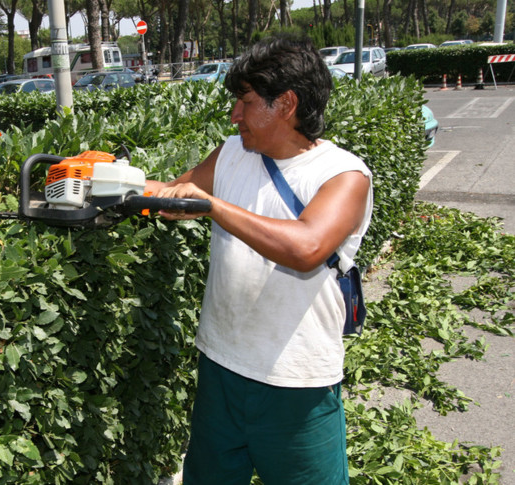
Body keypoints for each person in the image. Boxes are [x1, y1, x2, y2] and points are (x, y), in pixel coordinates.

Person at [146, 35, 373, 484]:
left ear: (286, 103)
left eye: (245, 102)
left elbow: (306, 248)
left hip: (296, 385)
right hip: (221, 368)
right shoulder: (232, 154)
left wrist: (211, 205)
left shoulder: (343, 175)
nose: (234, 115)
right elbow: (172, 194)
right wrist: (98, 178)